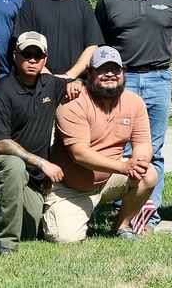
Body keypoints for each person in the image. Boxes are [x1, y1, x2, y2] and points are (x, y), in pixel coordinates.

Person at [0, 32, 81, 255]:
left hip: (31, 174)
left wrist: (77, 83)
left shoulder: (50, 84)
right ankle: (6, 244)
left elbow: (73, 83)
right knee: (14, 166)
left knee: (31, 231)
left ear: (45, 59)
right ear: (15, 55)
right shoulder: (2, 92)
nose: (32, 60)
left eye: (38, 55)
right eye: (27, 54)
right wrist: (43, 163)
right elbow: (1, 144)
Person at [94, 0, 172, 233]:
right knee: (123, 148)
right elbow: (100, 46)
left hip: (159, 78)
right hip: (123, 81)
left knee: (153, 150)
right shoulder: (109, 0)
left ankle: (148, 216)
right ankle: (124, 211)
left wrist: (160, 59)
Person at [42, 46, 157, 244]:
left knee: (148, 174)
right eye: (103, 69)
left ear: (123, 73)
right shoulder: (73, 102)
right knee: (65, 239)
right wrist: (123, 166)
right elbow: (79, 154)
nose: (110, 74)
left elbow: (143, 144)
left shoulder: (134, 102)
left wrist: (139, 161)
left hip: (108, 181)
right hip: (70, 187)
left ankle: (121, 226)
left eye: (115, 69)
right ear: (89, 73)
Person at [12, 0, 102, 79]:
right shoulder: (30, 6)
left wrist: (69, 76)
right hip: (37, 84)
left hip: (75, 86)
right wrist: (50, 78)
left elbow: (92, 47)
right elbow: (22, 48)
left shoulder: (84, 7)